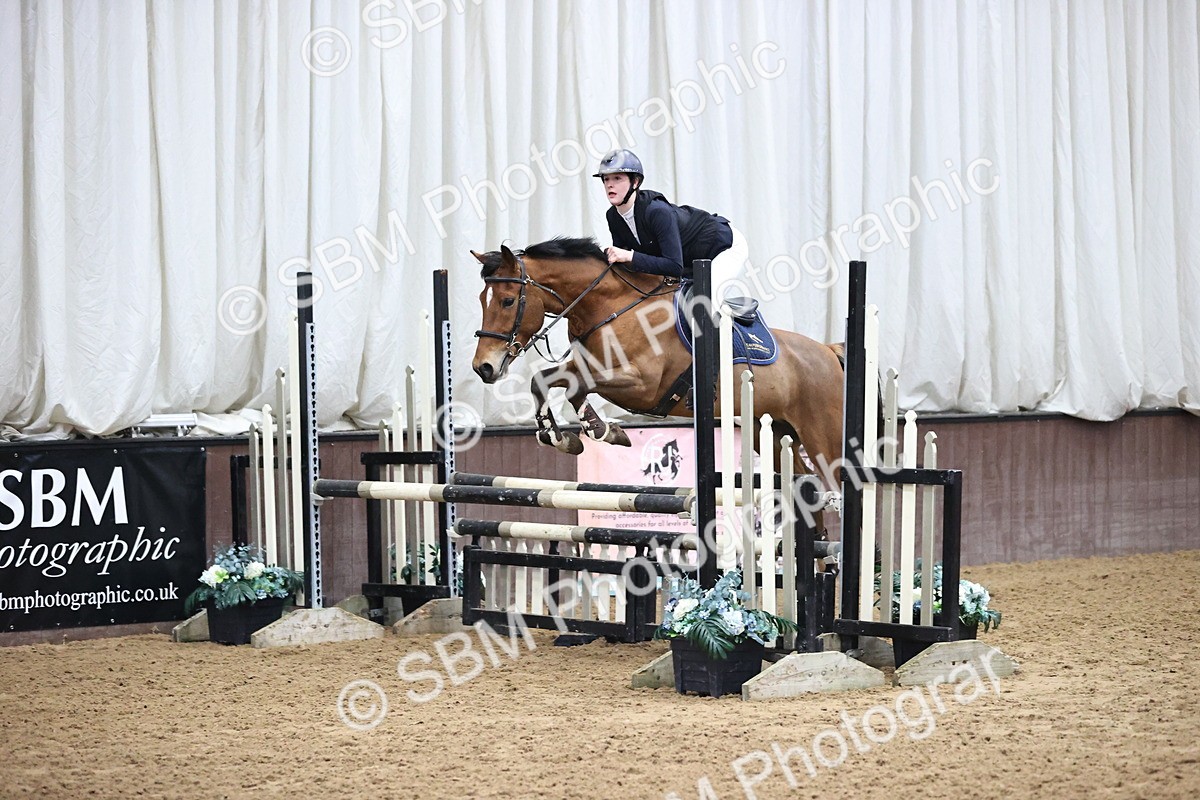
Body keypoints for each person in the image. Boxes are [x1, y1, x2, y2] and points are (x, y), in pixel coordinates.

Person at [595, 149, 748, 299]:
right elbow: (625, 267)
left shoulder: (657, 211)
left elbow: (674, 266)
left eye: (617, 178)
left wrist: (630, 255)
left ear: (635, 182)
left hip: (723, 246)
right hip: (691, 259)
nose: (610, 185)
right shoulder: (613, 216)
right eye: (606, 179)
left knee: (706, 304)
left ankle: (725, 322)